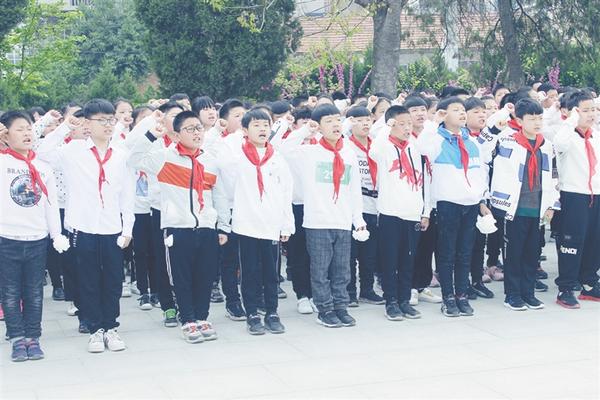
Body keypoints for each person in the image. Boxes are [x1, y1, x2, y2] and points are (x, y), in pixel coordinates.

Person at [36, 99, 135, 353]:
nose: (108, 125)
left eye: (110, 120)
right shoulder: (73, 150)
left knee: (113, 280)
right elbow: (42, 152)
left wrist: (127, 229)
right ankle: (95, 330)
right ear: (87, 124)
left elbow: (127, 195)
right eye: (101, 120)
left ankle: (111, 327)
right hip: (82, 227)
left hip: (112, 227)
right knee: (88, 280)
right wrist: (65, 128)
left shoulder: (120, 154)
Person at [129, 110, 230, 343]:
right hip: (177, 228)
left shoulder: (210, 160)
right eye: (190, 129)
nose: (196, 133)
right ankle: (188, 320)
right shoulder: (165, 158)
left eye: (199, 128)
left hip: (206, 227)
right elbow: (133, 159)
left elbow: (220, 195)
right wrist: (151, 135)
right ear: (176, 135)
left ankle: (202, 317)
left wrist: (223, 226)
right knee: (181, 278)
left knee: (204, 276)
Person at [281, 104, 366, 328]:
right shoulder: (309, 152)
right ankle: (325, 309)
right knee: (320, 269)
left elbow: (354, 189)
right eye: (328, 121)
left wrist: (358, 220)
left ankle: (341, 306)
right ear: (318, 126)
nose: (335, 125)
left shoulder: (348, 152)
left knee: (342, 269)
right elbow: (283, 148)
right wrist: (305, 130)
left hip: (342, 220)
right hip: (317, 221)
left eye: (337, 120)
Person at [217, 109, 294, 335]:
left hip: (271, 224)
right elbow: (222, 166)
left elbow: (286, 191)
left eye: (265, 125)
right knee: (249, 272)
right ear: (245, 130)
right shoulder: (237, 158)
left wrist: (286, 223)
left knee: (271, 272)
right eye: (256, 125)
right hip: (247, 225)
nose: (262, 129)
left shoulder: (277, 158)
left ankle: (272, 312)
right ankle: (252, 313)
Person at [0, 112, 67, 362]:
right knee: (9, 293)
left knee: (34, 293)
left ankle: (33, 337)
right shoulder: (2, 162)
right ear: (6, 134)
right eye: (19, 129)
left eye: (29, 128)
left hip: (37, 238)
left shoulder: (42, 166)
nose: (27, 133)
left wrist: (56, 234)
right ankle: (17, 339)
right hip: (7, 238)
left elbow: (51, 203)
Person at [415, 97, 490, 317]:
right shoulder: (437, 139)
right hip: (447, 203)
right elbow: (421, 147)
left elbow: (480, 171)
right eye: (455, 110)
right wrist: (433, 122)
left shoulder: (471, 140)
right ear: (443, 114)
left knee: (465, 253)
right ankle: (448, 296)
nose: (462, 113)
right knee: (447, 253)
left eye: (463, 110)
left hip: (470, 203)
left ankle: (462, 295)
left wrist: (481, 199)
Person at [490, 98, 558, 310]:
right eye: (531, 119)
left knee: (532, 253)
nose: (537, 123)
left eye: (540, 118)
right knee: (513, 253)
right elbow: (485, 141)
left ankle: (528, 293)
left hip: (537, 207)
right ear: (519, 121)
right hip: (514, 207)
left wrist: (552, 205)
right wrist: (502, 115)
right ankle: (512, 294)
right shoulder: (506, 140)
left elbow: (553, 176)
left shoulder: (546, 145)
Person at [370, 105, 431, 320]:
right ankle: (391, 302)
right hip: (390, 213)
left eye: (409, 124)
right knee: (390, 261)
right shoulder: (385, 147)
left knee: (408, 261)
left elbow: (424, 181)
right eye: (401, 124)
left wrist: (425, 211)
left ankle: (404, 300)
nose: (407, 128)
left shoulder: (414, 147)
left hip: (412, 213)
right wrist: (387, 126)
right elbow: (374, 150)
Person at [553, 90, 600, 308]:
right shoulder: (567, 134)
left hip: (596, 194)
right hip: (574, 195)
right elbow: (560, 144)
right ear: (574, 112)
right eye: (586, 110)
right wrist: (571, 120)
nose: (591, 114)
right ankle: (566, 287)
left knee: (594, 240)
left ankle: (589, 282)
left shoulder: (596, 135)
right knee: (572, 242)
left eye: (593, 109)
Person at [275, 106, 319, 315]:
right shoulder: (291, 147)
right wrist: (301, 130)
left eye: (313, 123)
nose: (311, 127)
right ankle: (303, 295)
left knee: (318, 255)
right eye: (305, 122)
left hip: (319, 207)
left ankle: (317, 294)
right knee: (299, 254)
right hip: (297, 207)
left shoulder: (322, 146)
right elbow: (283, 146)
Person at [403, 96, 443, 305]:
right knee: (411, 247)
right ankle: (409, 287)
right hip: (411, 198)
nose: (419, 114)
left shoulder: (432, 134)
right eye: (414, 110)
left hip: (431, 198)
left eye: (422, 109)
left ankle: (422, 284)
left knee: (427, 245)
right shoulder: (405, 139)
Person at [344, 106, 384, 306]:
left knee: (370, 253)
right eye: (359, 120)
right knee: (351, 254)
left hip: (374, 205)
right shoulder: (345, 146)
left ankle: (367, 290)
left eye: (367, 119)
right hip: (353, 206)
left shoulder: (376, 145)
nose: (365, 123)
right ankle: (349, 291)